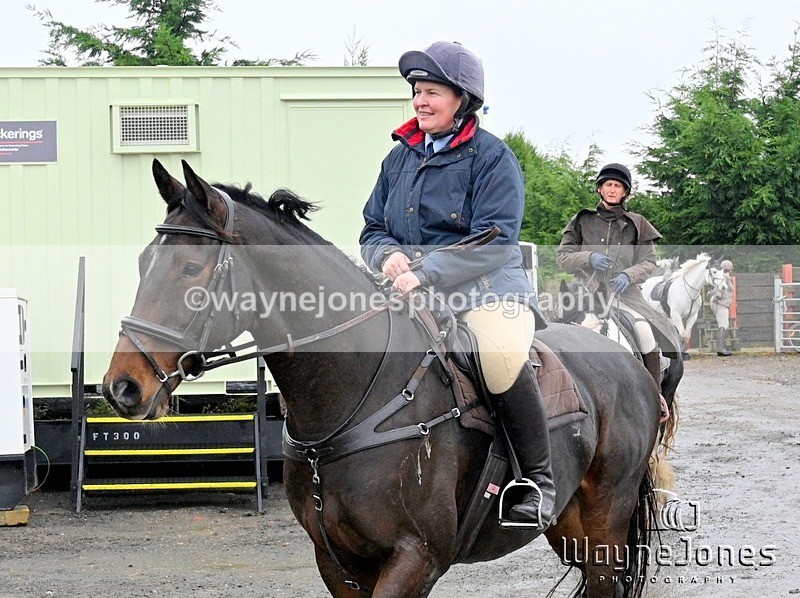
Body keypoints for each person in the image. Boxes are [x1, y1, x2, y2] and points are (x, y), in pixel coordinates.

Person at [359, 41, 555, 529]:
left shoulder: (494, 158)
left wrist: (423, 273)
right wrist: (387, 255)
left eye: (432, 93)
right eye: (417, 93)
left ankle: (537, 480)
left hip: (488, 290)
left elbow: (492, 240)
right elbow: (371, 228)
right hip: (410, 289)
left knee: (499, 356)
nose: (421, 102)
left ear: (462, 100)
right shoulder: (398, 158)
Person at [556, 163, 680, 387]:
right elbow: (563, 257)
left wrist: (628, 275)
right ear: (600, 189)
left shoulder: (638, 224)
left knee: (644, 332)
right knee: (555, 333)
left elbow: (648, 261)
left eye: (617, 186)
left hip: (625, 295)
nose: (612, 190)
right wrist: (588, 257)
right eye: (608, 185)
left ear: (625, 192)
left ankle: (653, 395)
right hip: (586, 294)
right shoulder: (582, 220)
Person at [709, 259, 734, 356]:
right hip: (721, 303)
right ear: (729, 269)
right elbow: (723, 289)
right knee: (723, 325)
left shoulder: (722, 277)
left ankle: (721, 347)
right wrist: (718, 296)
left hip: (720, 303)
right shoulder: (725, 278)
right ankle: (720, 348)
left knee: (724, 325)